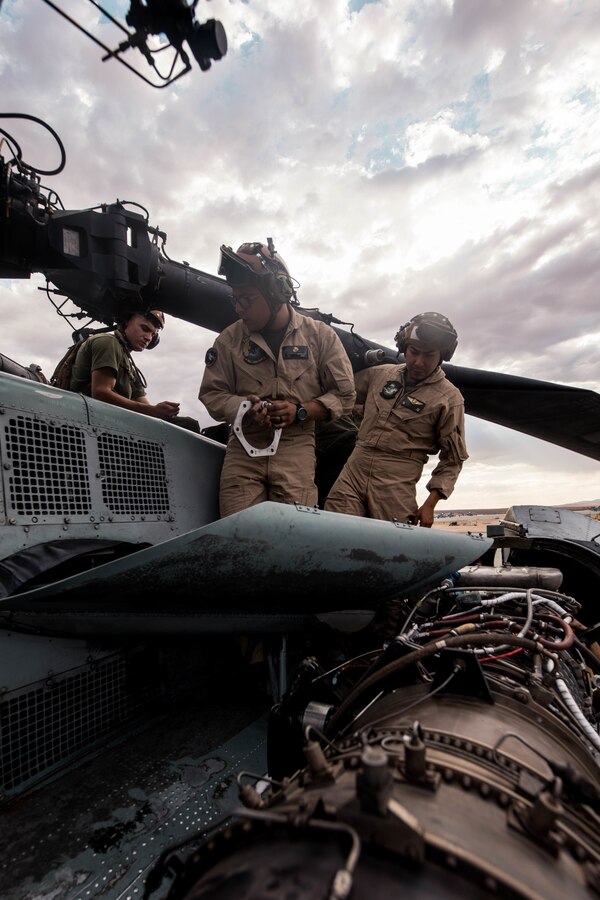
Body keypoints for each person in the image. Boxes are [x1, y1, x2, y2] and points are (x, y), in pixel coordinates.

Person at [198, 240, 356, 517]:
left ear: (276, 293)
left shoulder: (320, 337)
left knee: (295, 538)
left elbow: (344, 394)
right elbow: (212, 393)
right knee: (239, 534)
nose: (239, 308)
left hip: (296, 450)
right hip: (243, 453)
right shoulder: (228, 341)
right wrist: (244, 409)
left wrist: (300, 411)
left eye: (247, 299)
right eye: (235, 299)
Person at [325, 311, 468, 527]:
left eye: (429, 355)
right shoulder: (380, 375)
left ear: (442, 355)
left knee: (387, 547)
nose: (419, 362)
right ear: (403, 347)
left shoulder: (449, 399)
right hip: (353, 472)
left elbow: (453, 459)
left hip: (395, 485)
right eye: (414, 352)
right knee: (333, 531)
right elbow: (340, 390)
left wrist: (430, 504)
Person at [68, 310, 181, 421]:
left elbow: (145, 407)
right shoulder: (107, 342)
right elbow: (101, 393)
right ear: (126, 322)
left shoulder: (129, 365)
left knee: (188, 424)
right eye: (145, 329)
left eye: (153, 334)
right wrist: (152, 411)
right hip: (87, 419)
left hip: (107, 421)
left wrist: (160, 412)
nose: (148, 338)